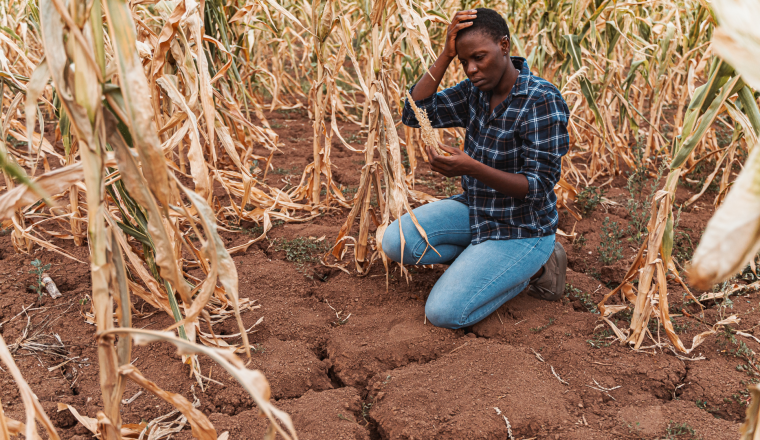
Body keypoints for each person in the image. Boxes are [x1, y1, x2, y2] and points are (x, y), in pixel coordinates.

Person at [381, 8, 569, 329]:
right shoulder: (476, 91)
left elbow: (538, 187)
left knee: (444, 313)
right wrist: (445, 54)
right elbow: (415, 114)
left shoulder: (540, 100)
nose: (471, 69)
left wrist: (472, 167)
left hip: (522, 227)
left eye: (479, 57)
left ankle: (537, 268)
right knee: (395, 241)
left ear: (504, 45)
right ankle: (486, 264)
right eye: (463, 61)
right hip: (477, 209)